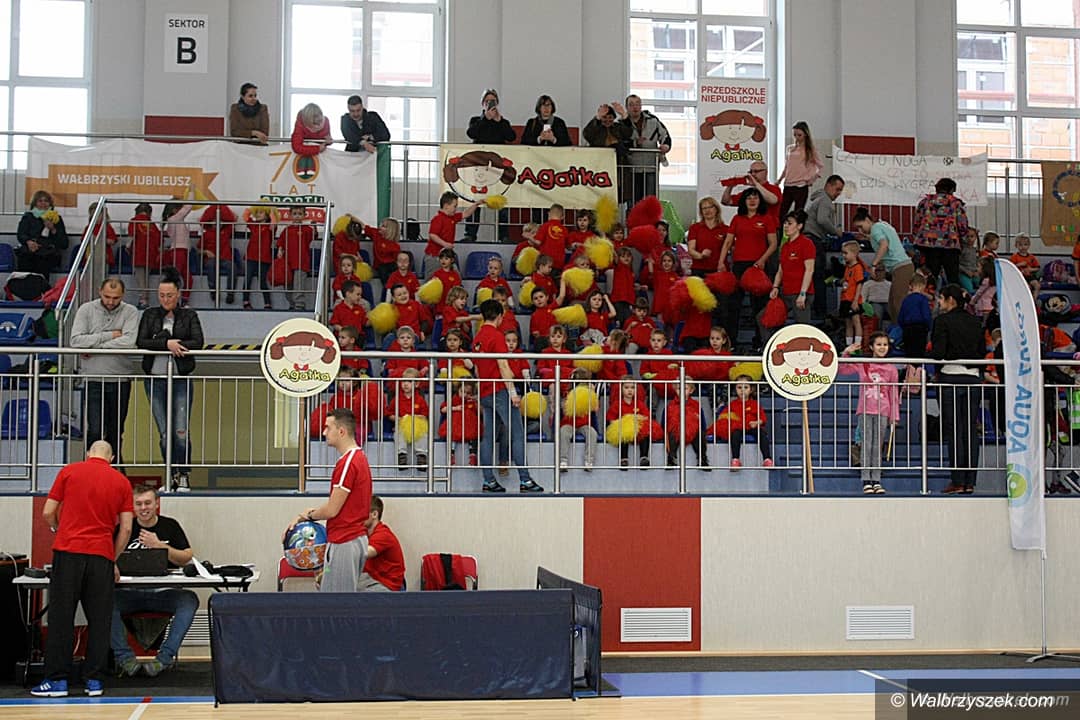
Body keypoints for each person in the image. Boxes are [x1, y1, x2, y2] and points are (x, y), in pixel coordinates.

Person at [31, 441, 133, 699]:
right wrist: (111, 557)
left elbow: (48, 511)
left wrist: (59, 528)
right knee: (100, 620)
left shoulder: (69, 471)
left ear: (88, 453)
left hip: (68, 551)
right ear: (112, 458)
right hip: (101, 556)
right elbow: (126, 528)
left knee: (61, 618)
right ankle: (95, 681)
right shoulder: (122, 482)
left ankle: (57, 681)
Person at [110, 484, 199, 678]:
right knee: (103, 601)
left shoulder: (170, 526)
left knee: (189, 599)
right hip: (128, 593)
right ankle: (125, 659)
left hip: (163, 593)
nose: (143, 508)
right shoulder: (123, 529)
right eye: (138, 504)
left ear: (157, 503)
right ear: (132, 506)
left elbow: (187, 557)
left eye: (148, 503)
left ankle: (163, 659)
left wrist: (159, 546)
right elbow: (108, 558)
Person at [290, 408, 373, 592]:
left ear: (341, 431)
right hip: (350, 540)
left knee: (337, 603)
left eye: (328, 428)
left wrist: (308, 515)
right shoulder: (358, 458)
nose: (323, 432)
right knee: (330, 594)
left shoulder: (348, 463)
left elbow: (332, 510)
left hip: (345, 542)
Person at [137, 268, 204, 492]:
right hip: (155, 379)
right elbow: (142, 341)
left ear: (178, 295)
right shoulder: (149, 315)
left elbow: (198, 342)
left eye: (170, 295)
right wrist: (166, 343)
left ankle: (183, 475)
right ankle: (169, 474)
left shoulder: (189, 315)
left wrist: (176, 344)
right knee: (165, 432)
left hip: (181, 379)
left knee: (180, 430)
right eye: (162, 295)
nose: (165, 299)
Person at [474, 299, 544, 493]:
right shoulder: (497, 336)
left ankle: (488, 480)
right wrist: (513, 392)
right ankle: (525, 480)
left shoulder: (477, 337)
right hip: (500, 390)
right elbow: (503, 366)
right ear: (499, 316)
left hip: (485, 390)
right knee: (517, 434)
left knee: (488, 437)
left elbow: (478, 368)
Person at [69, 278, 139, 465]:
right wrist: (110, 335)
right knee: (95, 430)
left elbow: (129, 342)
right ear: (100, 291)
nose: (110, 301)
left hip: (120, 379)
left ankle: (114, 469)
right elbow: (75, 341)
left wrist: (94, 346)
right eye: (107, 296)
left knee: (116, 431)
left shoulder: (130, 311)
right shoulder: (86, 309)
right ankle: (91, 469)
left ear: (123, 295)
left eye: (116, 298)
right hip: (94, 378)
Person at [929, 284, 984, 494]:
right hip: (972, 378)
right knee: (970, 430)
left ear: (950, 300)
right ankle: (970, 481)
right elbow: (981, 351)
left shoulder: (942, 321)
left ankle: (958, 480)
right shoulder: (975, 321)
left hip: (950, 377)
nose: (939, 302)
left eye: (941, 298)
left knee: (955, 430)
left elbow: (938, 353)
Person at [840, 333, 901, 494]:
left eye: (885, 345)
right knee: (866, 444)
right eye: (879, 344)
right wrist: (847, 352)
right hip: (865, 409)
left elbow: (894, 394)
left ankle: (876, 480)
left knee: (877, 445)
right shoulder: (864, 363)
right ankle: (866, 479)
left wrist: (894, 416)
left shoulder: (892, 369)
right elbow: (843, 369)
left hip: (884, 410)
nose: (882, 347)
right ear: (872, 347)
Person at [718, 188, 778, 349]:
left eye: (755, 198)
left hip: (758, 266)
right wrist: (721, 261)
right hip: (739, 265)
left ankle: (760, 342)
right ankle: (731, 341)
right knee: (733, 304)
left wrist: (762, 260)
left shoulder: (766, 218)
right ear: (744, 201)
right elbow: (728, 242)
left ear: (760, 201)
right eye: (749, 198)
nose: (752, 200)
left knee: (759, 305)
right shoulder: (737, 219)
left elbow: (773, 243)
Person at [464, 89, 514, 241]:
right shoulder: (476, 120)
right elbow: (471, 133)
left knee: (502, 200)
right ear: (482, 104)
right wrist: (485, 118)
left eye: (493, 101)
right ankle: (470, 234)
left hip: (497, 168)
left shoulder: (503, 122)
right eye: (487, 101)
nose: (490, 104)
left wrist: (499, 121)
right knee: (475, 200)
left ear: (497, 103)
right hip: (479, 166)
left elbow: (511, 137)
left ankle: (503, 235)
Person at [853, 205, 913, 324]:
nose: (860, 231)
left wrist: (874, 264)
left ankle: (901, 329)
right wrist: (867, 237)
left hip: (901, 267)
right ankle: (897, 327)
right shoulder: (882, 225)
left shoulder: (875, 229)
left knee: (897, 303)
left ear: (867, 220)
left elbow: (884, 244)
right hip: (903, 267)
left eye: (861, 226)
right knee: (892, 304)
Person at [913, 177, 969, 286]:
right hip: (950, 245)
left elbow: (917, 223)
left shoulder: (924, 202)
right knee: (952, 277)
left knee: (930, 277)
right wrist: (962, 237)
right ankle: (953, 295)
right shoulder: (956, 204)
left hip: (928, 244)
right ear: (951, 190)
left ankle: (930, 295)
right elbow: (962, 226)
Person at [803, 175, 845, 317]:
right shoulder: (825, 200)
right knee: (818, 277)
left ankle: (809, 310)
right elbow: (822, 220)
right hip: (814, 240)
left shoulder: (816, 199)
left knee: (809, 276)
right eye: (837, 189)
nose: (838, 193)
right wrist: (835, 231)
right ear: (828, 185)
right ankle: (820, 312)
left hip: (806, 239)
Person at [617, 94, 671, 204]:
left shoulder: (653, 120)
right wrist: (635, 143)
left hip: (650, 166)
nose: (635, 107)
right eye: (631, 105)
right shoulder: (621, 123)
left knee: (650, 200)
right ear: (627, 107)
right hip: (631, 168)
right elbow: (620, 143)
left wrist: (665, 146)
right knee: (633, 201)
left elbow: (665, 136)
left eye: (637, 104)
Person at [770, 210, 816, 324]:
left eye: (790, 223)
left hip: (800, 291)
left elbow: (809, 269)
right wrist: (775, 286)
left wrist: (803, 293)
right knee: (765, 319)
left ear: (799, 226)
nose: (786, 226)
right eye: (785, 223)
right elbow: (780, 270)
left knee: (802, 325)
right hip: (785, 291)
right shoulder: (785, 246)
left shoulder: (806, 243)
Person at [358, 495, 405, 592]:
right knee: (344, 583)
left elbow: (366, 552)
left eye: (362, 512)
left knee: (348, 589)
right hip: (372, 579)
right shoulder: (365, 533)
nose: (358, 517)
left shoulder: (383, 534)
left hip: (387, 585)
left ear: (374, 514)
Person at [777, 121, 823, 219]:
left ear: (805, 134)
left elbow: (820, 166)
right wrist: (779, 180)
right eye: (795, 135)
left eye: (799, 135)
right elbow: (787, 166)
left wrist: (812, 179)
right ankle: (781, 229)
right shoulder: (790, 149)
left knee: (798, 214)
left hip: (801, 186)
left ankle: (798, 229)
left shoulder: (810, 150)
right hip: (788, 184)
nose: (797, 137)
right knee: (782, 213)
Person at [17, 190, 68, 276]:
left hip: (48, 254)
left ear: (50, 203)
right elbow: (21, 234)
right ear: (35, 203)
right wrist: (28, 242)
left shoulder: (56, 218)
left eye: (46, 201)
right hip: (30, 252)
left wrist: (53, 229)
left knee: (43, 261)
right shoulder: (28, 217)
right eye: (40, 201)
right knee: (25, 259)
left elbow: (64, 243)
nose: (43, 203)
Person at [687, 197, 727, 277]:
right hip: (698, 270)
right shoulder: (695, 228)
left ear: (716, 209)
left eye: (710, 207)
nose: (707, 210)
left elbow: (731, 249)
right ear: (701, 212)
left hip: (718, 270)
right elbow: (691, 250)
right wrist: (701, 256)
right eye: (704, 208)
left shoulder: (725, 229)